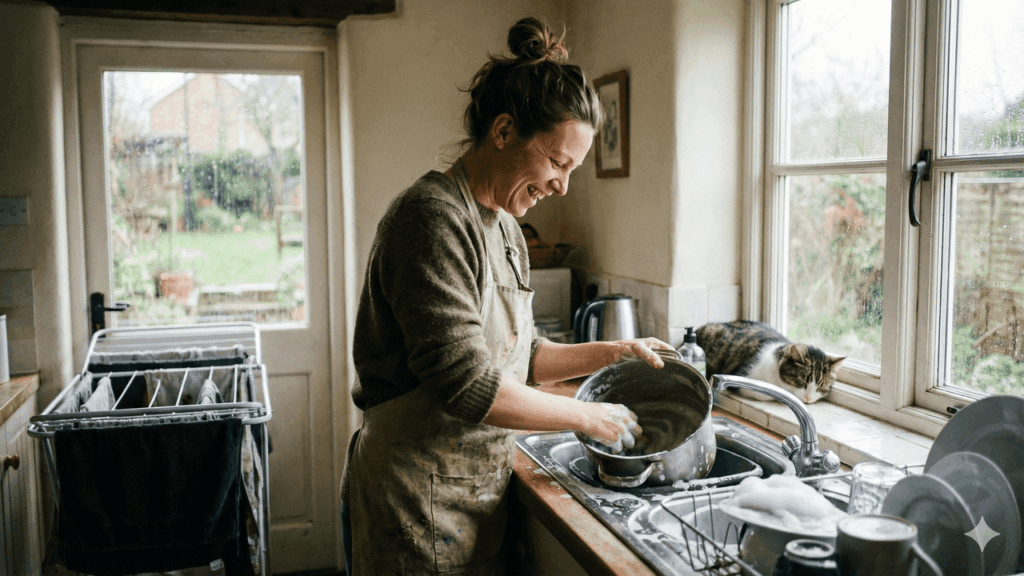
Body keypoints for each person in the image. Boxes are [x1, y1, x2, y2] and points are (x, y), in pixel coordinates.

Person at [341, 17, 674, 575]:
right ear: (502, 131)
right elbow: (469, 386)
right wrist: (589, 417)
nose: (562, 186)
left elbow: (520, 357)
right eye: (557, 162)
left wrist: (616, 352)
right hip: (415, 496)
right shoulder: (432, 219)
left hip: (475, 489)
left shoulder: (506, 229)